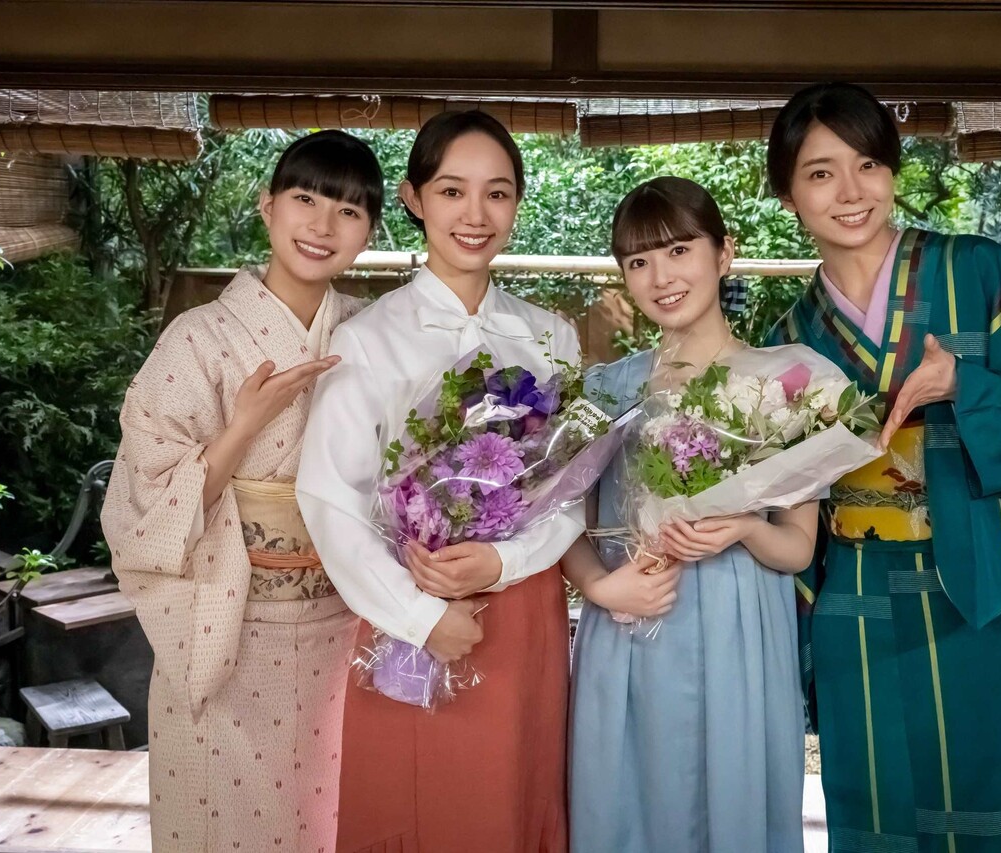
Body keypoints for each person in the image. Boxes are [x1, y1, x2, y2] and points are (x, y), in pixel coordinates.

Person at [764, 82, 1001, 852]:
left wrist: (966, 385)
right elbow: (782, 491)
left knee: (998, 801)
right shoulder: (788, 338)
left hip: (980, 581)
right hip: (856, 595)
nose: (851, 191)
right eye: (820, 173)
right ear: (788, 197)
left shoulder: (977, 272)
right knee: (876, 805)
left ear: (893, 172)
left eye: (868, 164)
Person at [297, 110, 584, 853]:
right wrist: (420, 617)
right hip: (409, 608)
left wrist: (504, 560)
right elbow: (331, 498)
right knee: (418, 802)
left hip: (522, 609)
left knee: (513, 801)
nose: (475, 214)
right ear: (414, 198)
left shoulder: (551, 336)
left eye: (497, 193)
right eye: (453, 190)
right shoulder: (368, 338)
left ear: (517, 203)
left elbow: (574, 485)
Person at [102, 130, 382, 852]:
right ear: (267, 206)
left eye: (349, 211)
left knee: (333, 816)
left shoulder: (369, 334)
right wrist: (245, 424)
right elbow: (143, 499)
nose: (322, 225)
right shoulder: (196, 338)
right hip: (226, 623)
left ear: (370, 231)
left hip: (341, 626)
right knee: (219, 819)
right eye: (306, 198)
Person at [566, 176, 813, 853]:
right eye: (638, 261)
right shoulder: (606, 389)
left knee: (733, 801)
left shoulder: (786, 383)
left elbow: (797, 548)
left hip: (740, 626)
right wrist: (598, 586)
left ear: (724, 253)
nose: (661, 276)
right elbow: (563, 525)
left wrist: (746, 528)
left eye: (679, 250)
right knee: (627, 803)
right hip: (632, 616)